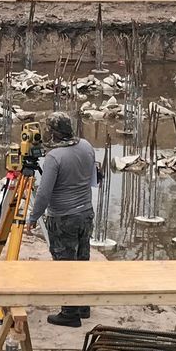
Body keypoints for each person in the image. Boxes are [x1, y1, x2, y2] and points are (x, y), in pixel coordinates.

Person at [26, 113, 102, 329]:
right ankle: (83, 306)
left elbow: (44, 193)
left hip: (63, 217)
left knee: (65, 265)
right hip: (85, 213)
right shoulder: (86, 146)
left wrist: (33, 217)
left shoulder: (54, 157)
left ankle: (69, 313)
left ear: (53, 133)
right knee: (82, 259)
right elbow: (94, 176)